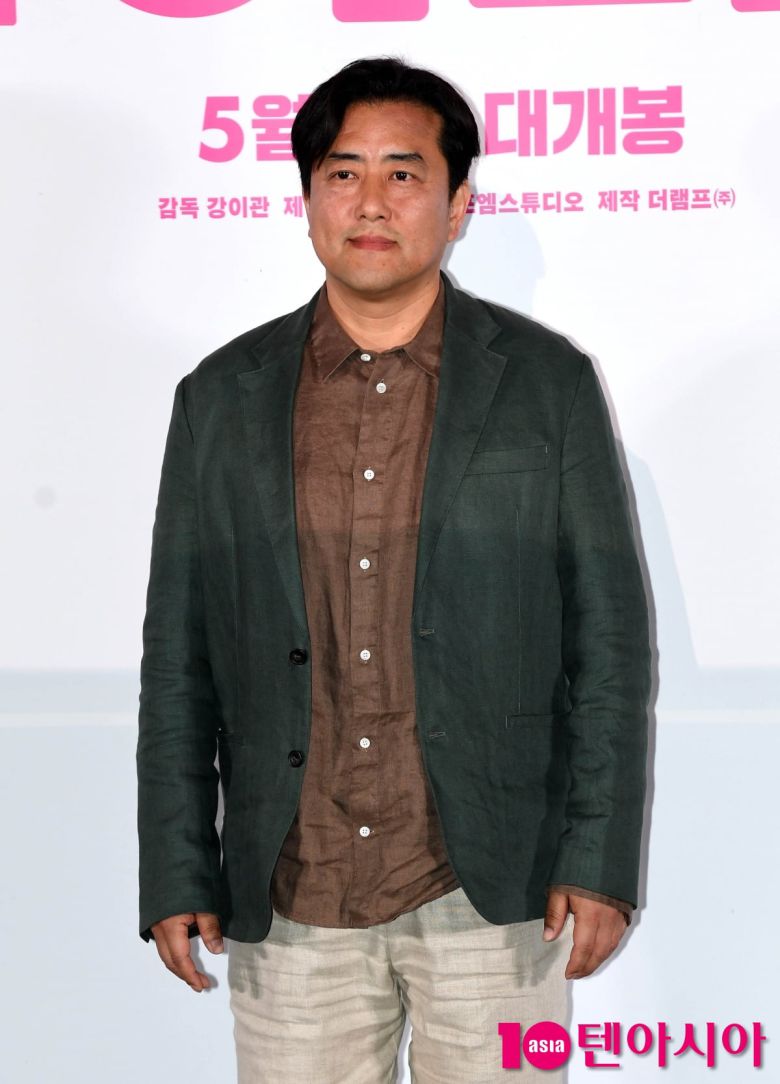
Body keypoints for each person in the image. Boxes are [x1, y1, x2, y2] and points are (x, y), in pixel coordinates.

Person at [137, 56, 651, 1084]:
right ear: (308, 199)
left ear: (458, 204)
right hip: (294, 893)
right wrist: (177, 864)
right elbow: (179, 659)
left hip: (492, 890)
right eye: (344, 172)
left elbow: (609, 645)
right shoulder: (220, 399)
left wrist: (597, 861)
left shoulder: (547, 385)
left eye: (404, 174)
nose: (371, 202)